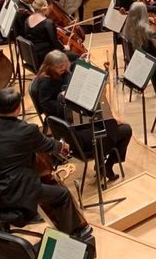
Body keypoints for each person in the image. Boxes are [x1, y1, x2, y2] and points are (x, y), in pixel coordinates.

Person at [0, 86, 92, 240]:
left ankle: (0, 231)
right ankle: (72, 235)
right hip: (15, 190)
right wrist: (62, 146)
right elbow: (48, 146)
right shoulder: (26, 130)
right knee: (62, 195)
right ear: (18, 108)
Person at [29, 51, 132, 181]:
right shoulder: (46, 83)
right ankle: (105, 165)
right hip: (72, 131)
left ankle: (103, 164)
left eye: (64, 65)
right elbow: (49, 107)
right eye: (59, 67)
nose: (63, 68)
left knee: (112, 126)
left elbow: (70, 69)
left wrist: (79, 63)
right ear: (50, 67)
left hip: (75, 121)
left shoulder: (61, 73)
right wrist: (68, 101)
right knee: (124, 130)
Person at [24, 0, 74, 67]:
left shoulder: (27, 20)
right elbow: (55, 42)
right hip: (46, 56)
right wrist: (64, 47)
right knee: (76, 57)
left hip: (33, 55)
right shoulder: (48, 23)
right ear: (45, 8)